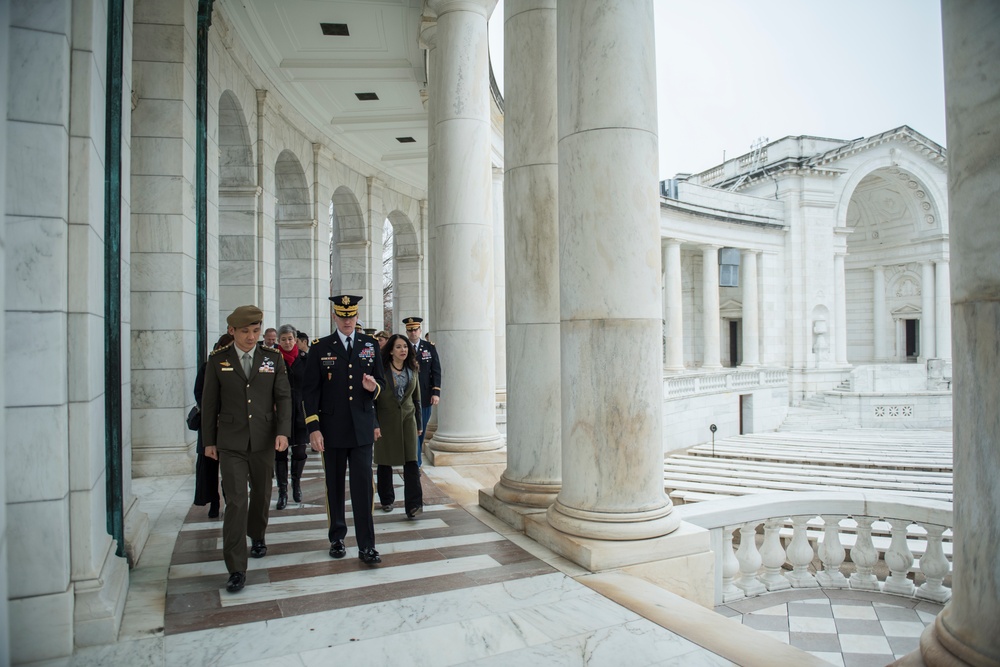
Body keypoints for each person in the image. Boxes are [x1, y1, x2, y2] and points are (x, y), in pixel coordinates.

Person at [202, 305, 291, 593]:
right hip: (231, 442)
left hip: (264, 439)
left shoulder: (272, 358)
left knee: (263, 494)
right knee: (237, 501)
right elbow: (209, 404)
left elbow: (284, 396)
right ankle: (237, 567)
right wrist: (208, 441)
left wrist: (283, 432)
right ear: (232, 331)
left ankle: (258, 534)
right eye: (245, 332)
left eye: (255, 331)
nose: (252, 337)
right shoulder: (218, 360)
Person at [303, 295, 385, 565]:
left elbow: (380, 384)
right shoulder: (320, 347)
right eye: (343, 315)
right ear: (335, 317)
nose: (348, 320)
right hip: (332, 429)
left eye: (352, 315)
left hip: (361, 428)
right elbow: (310, 392)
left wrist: (374, 388)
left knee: (363, 487)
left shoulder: (370, 345)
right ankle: (337, 537)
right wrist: (313, 428)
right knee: (334, 485)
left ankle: (367, 545)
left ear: (357, 316)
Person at [374, 334, 423, 518]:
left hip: (408, 419)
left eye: (405, 347)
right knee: (385, 461)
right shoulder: (381, 369)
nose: (403, 350)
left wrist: (419, 423)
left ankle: (414, 505)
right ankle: (386, 499)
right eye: (398, 347)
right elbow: (373, 400)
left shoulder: (413, 368)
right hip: (386, 420)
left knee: (411, 462)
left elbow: (416, 398)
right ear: (391, 351)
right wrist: (374, 424)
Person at [193, 333, 234, 518]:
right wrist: (213, 413)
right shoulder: (208, 367)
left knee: (230, 466)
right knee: (209, 467)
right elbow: (199, 393)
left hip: (230, 424)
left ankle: (229, 499)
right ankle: (214, 500)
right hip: (210, 424)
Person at [275, 324, 309, 509]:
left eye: (290, 338)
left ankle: (296, 485)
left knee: (299, 452)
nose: (287, 342)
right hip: (280, 414)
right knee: (280, 453)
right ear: (279, 341)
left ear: (295, 340)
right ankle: (283, 491)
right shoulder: (272, 359)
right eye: (283, 339)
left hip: (300, 413)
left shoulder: (305, 359)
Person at [402, 316, 441, 465]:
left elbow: (436, 370)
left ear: (420, 330)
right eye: (410, 330)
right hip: (407, 395)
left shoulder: (429, 347)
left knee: (421, 428)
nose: (413, 333)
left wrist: (435, 392)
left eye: (415, 329)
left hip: (424, 395)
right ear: (406, 332)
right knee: (409, 429)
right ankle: (412, 459)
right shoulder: (402, 347)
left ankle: (415, 460)